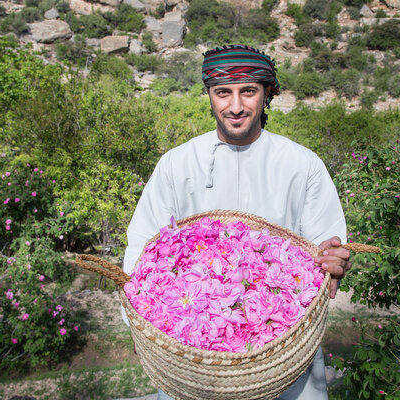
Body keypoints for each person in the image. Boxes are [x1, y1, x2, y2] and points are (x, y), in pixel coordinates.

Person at [122, 44, 351, 400]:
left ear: (267, 94)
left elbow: (326, 242)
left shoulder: (301, 164)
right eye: (222, 93)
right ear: (209, 95)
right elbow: (141, 247)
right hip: (196, 358)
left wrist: (333, 259)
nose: (236, 106)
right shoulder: (177, 164)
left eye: (248, 91)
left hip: (281, 350)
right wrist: (141, 328)